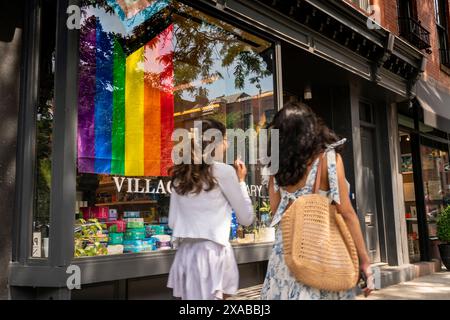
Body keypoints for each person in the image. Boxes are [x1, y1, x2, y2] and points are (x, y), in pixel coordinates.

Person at [261, 101, 373, 300]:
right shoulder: (328, 159)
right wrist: (364, 260)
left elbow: (275, 210)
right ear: (310, 128)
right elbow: (346, 213)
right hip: (318, 252)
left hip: (286, 255)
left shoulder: (275, 167)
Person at [167, 119, 255, 300]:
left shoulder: (180, 175)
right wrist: (241, 182)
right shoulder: (224, 172)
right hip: (213, 253)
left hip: (186, 253)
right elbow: (246, 218)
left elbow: (172, 222)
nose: (227, 143)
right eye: (225, 138)